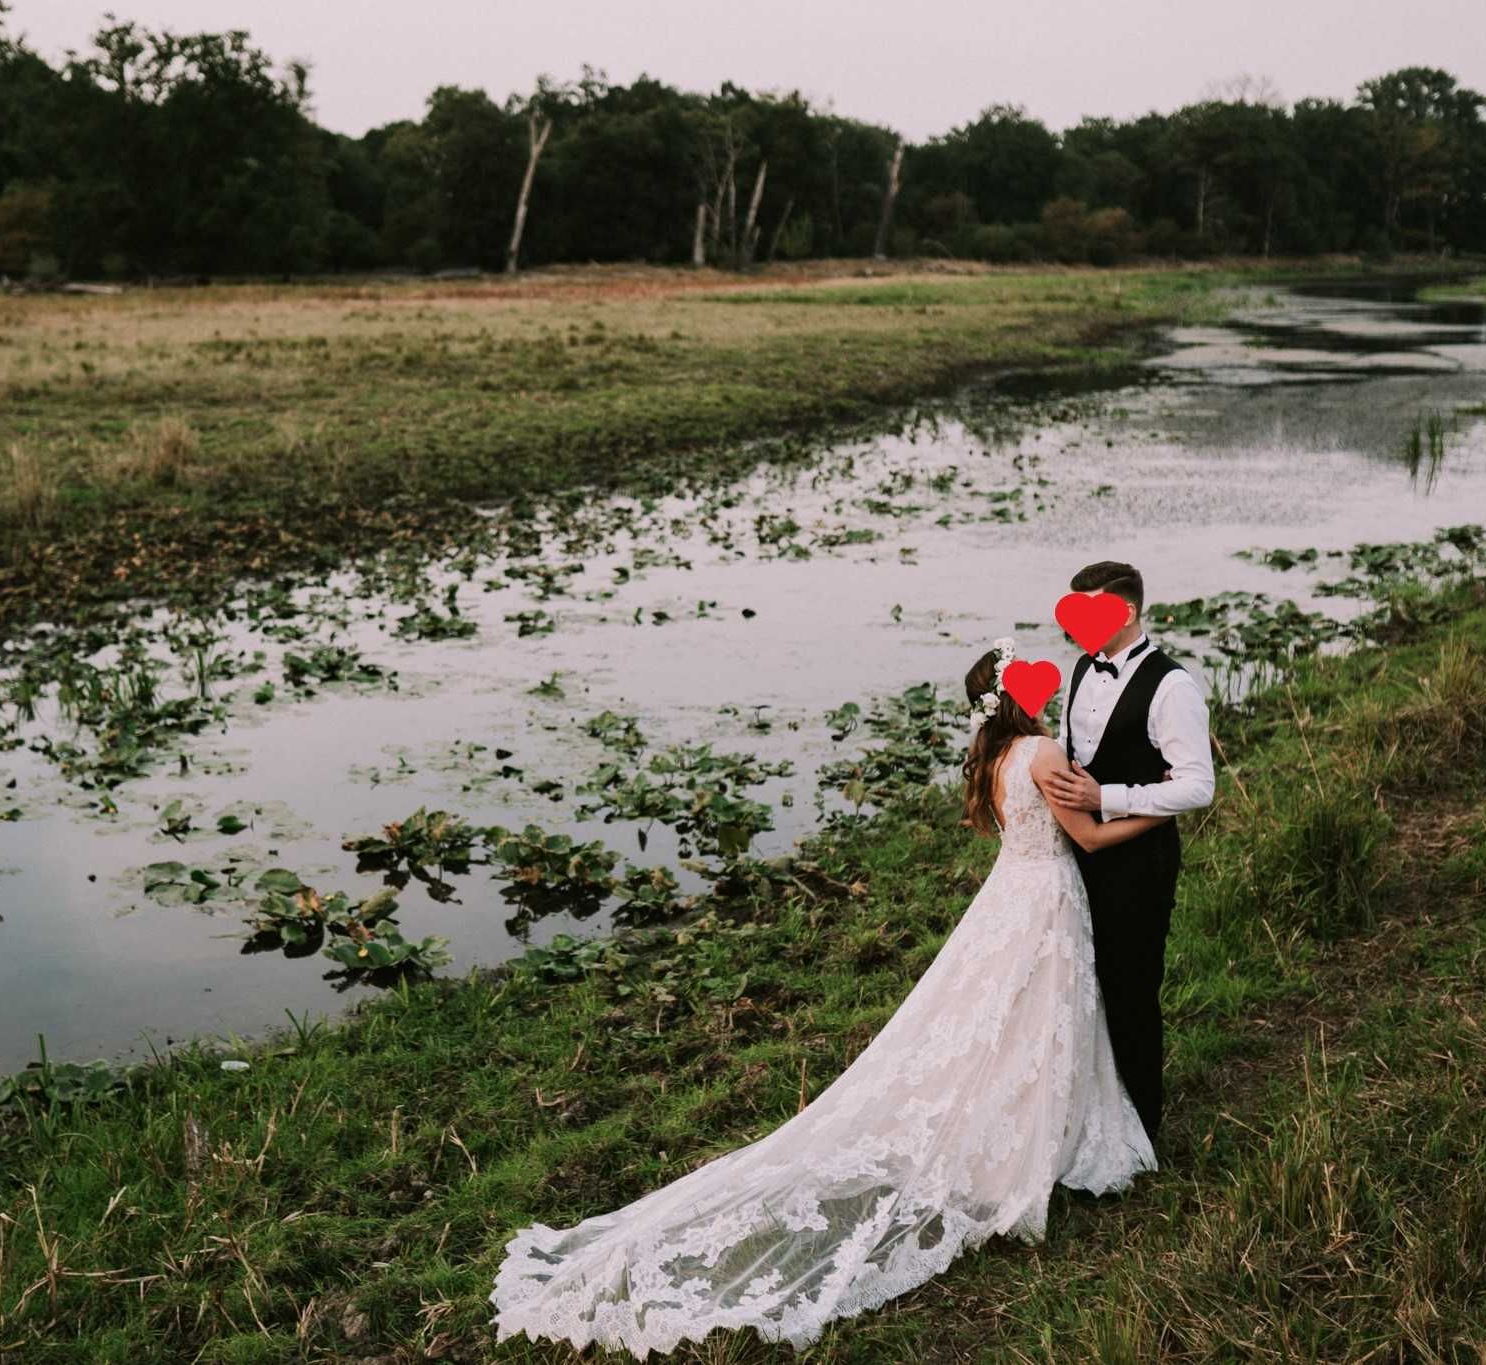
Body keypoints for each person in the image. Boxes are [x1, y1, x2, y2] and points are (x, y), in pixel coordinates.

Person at [490, 639, 1160, 1358]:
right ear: (1019, 694)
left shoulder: (995, 760)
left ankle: (1013, 1135)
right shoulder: (1042, 754)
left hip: (1008, 896)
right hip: (1046, 898)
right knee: (1035, 1015)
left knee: (1002, 1016)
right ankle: (1029, 1146)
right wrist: (1162, 808)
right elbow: (1087, 837)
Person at [1039, 560, 1216, 1150]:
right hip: (1078, 855)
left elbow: (1197, 786)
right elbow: (1074, 747)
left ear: (1128, 612)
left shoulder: (1173, 687)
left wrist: (1106, 796)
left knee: (1132, 990)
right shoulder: (1081, 667)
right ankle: (1090, 1120)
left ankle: (1141, 1130)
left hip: (1139, 863)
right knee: (1082, 984)